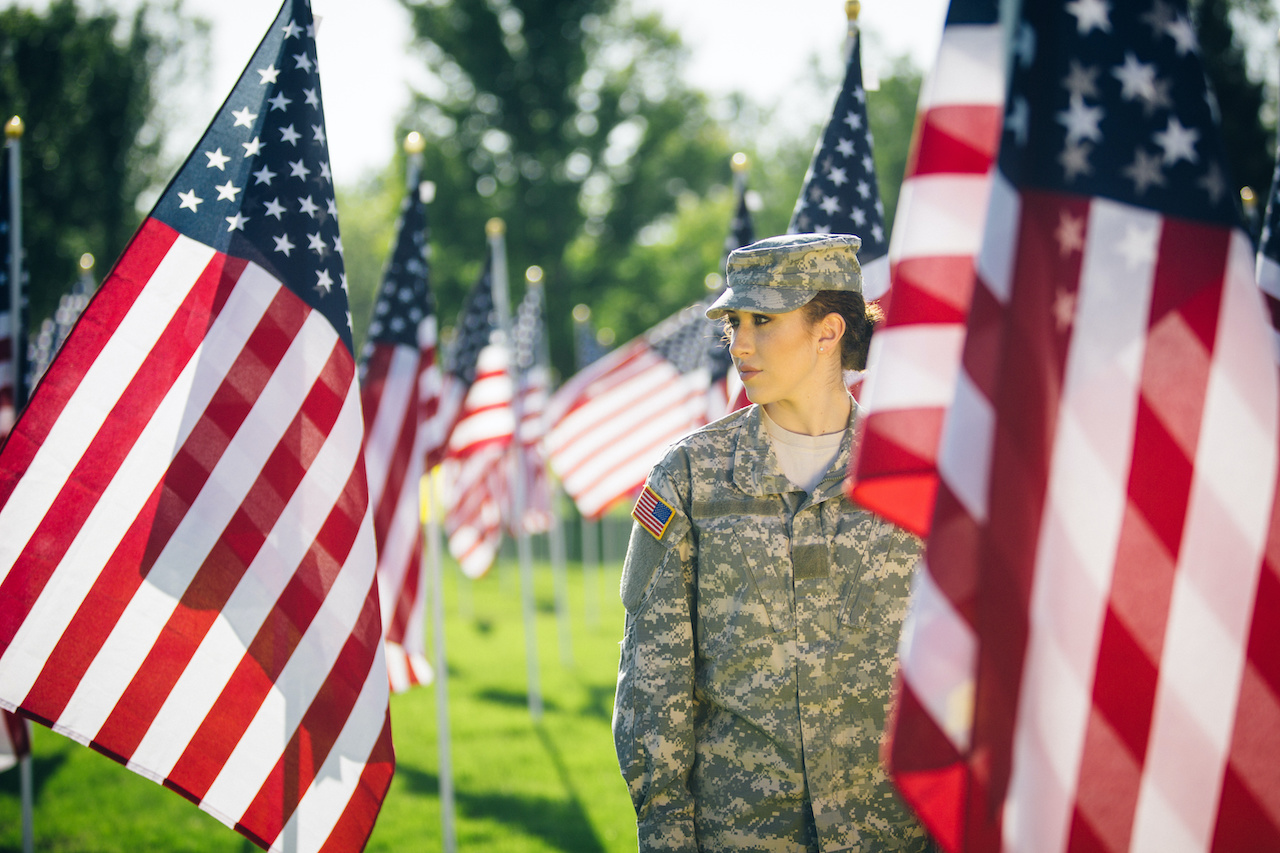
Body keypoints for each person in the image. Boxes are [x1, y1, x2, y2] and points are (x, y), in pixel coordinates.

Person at [612, 233, 930, 852]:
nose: (741, 343)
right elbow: (654, 686)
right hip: (742, 836)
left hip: (892, 833)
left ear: (828, 331)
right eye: (734, 322)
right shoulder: (690, 479)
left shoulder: (913, 472)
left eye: (763, 319)